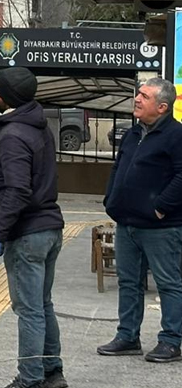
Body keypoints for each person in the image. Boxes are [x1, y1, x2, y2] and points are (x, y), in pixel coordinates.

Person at [0, 66, 66, 388]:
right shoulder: (38, 126)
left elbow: (17, 190)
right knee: (43, 305)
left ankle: (30, 379)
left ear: (9, 96)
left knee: (29, 310)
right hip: (49, 228)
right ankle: (52, 372)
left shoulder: (13, 136)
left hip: (28, 234)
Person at [98, 77, 182, 363]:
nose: (137, 98)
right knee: (129, 281)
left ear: (161, 107)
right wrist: (111, 200)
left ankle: (171, 341)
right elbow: (118, 167)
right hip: (126, 222)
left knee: (169, 283)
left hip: (161, 226)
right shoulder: (133, 133)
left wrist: (160, 208)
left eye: (144, 96)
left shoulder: (176, 135)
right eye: (139, 94)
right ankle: (127, 337)